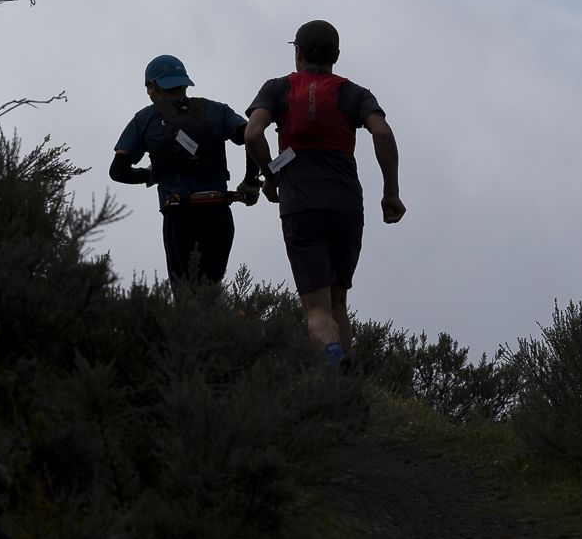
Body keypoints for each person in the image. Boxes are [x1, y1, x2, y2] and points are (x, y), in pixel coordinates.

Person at [243, 19, 404, 367]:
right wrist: (391, 192)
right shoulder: (354, 93)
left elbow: (253, 133)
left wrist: (272, 174)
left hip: (301, 207)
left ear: (297, 53)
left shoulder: (277, 88)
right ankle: (345, 378)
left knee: (315, 308)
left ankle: (332, 360)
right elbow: (383, 134)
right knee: (338, 302)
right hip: (346, 206)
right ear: (337, 55)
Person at [110, 53, 263, 283]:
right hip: (219, 215)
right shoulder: (216, 110)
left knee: (187, 301)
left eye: (148, 88)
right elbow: (252, 135)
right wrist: (251, 180)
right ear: (183, 82)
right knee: (210, 294)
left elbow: (118, 171)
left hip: (179, 215)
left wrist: (150, 174)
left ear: (153, 86)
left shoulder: (145, 119)